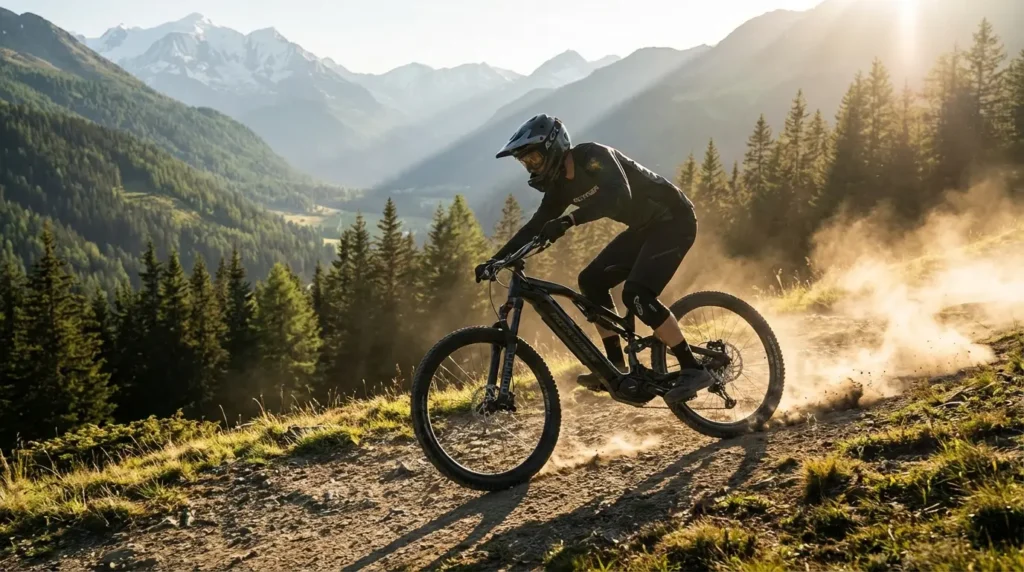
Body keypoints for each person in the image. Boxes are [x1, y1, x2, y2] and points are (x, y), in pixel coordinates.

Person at [475, 114, 713, 405]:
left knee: (637, 294)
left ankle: (693, 368)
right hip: (645, 228)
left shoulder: (593, 156)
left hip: (675, 220)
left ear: (553, 147)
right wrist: (496, 260)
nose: (531, 167)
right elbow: (535, 225)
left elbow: (618, 195)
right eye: (526, 163)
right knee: (591, 281)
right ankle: (616, 366)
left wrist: (569, 220)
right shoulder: (560, 186)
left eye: (534, 159)